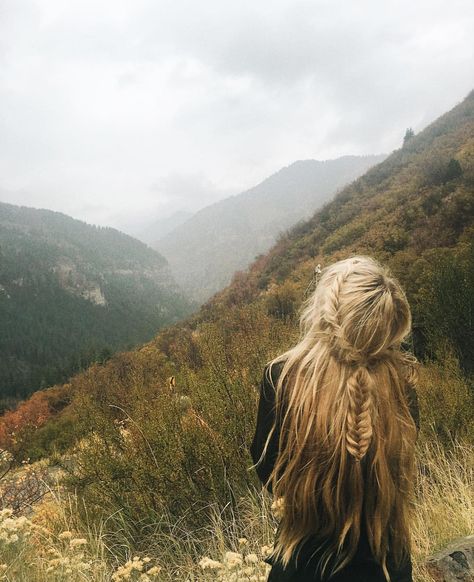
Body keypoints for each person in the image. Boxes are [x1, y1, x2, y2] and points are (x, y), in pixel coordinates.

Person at [249, 256, 420, 582]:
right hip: (387, 565)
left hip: (304, 563)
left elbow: (269, 474)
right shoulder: (403, 385)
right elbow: (403, 472)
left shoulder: (282, 378)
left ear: (324, 312)